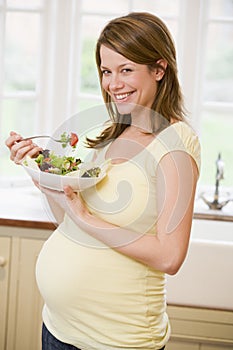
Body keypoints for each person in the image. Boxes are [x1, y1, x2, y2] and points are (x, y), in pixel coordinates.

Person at [5, 12, 201, 350]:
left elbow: (170, 257)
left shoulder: (176, 142)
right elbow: (71, 218)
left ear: (159, 68)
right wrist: (45, 173)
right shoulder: (109, 135)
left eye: (126, 70)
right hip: (58, 328)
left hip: (116, 340)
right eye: (107, 71)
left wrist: (84, 215)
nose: (113, 83)